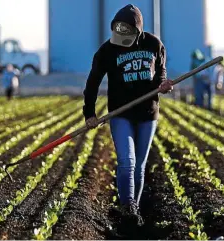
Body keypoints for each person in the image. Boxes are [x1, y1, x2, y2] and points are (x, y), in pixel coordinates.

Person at [82, 4, 173, 226]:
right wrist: (89, 114)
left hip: (148, 113)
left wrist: (162, 84)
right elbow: (93, 83)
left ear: (137, 31)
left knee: (140, 164)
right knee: (126, 161)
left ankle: (134, 210)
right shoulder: (106, 51)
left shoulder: (153, 44)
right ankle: (128, 205)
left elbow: (160, 71)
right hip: (120, 113)